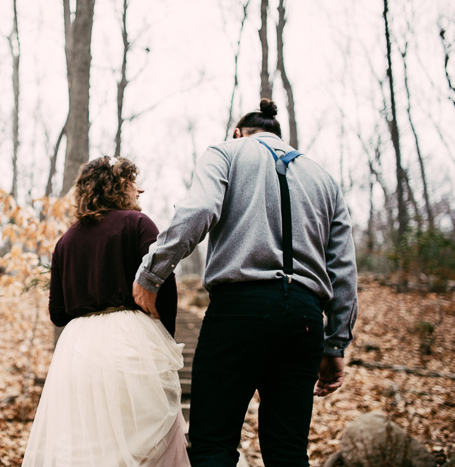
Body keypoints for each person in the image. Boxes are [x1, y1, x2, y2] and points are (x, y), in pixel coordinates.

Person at [133, 99, 358, 467]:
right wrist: (336, 344)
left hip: (239, 311)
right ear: (279, 136)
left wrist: (152, 273)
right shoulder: (324, 179)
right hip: (304, 319)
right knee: (288, 452)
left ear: (238, 133)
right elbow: (344, 268)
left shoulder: (225, 152)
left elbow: (200, 210)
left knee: (213, 444)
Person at [22, 156, 191, 467]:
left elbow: (58, 313)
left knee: (88, 446)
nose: (140, 190)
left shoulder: (65, 241)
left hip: (77, 351)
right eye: (132, 182)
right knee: (143, 441)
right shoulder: (138, 224)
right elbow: (163, 284)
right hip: (130, 341)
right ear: (116, 187)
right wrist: (162, 333)